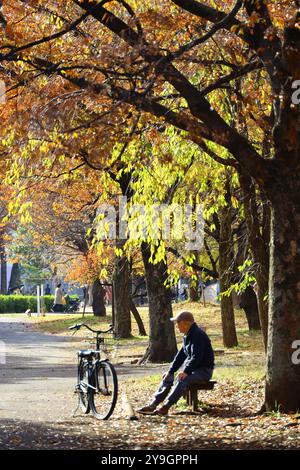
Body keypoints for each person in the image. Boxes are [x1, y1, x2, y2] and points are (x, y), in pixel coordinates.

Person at [137, 311, 214, 416]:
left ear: (186, 323)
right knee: (168, 377)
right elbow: (180, 356)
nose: (176, 325)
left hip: (203, 371)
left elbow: (197, 357)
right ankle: (153, 405)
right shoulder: (188, 335)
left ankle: (166, 407)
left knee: (182, 378)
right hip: (193, 370)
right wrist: (170, 371)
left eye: (178, 322)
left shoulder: (198, 335)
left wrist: (186, 371)